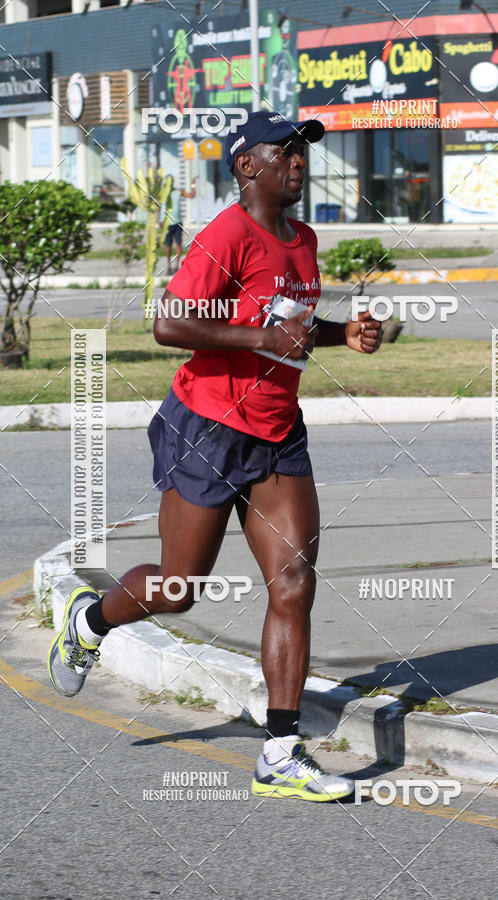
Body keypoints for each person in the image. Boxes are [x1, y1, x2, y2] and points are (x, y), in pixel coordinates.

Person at [48, 110, 383, 802]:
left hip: (278, 433)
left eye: (303, 151)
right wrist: (262, 339)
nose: (298, 161)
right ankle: (89, 620)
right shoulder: (226, 234)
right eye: (284, 151)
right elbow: (169, 322)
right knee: (179, 589)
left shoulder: (304, 240)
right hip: (206, 429)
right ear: (246, 165)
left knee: (293, 581)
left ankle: (281, 752)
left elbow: (289, 325)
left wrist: (341, 334)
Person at [164, 176, 197, 274]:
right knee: (168, 245)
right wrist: (159, 220)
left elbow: (191, 195)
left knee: (178, 244)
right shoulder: (163, 193)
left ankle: (176, 266)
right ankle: (168, 266)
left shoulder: (179, 191)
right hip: (167, 223)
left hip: (178, 222)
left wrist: (193, 184)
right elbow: (158, 207)